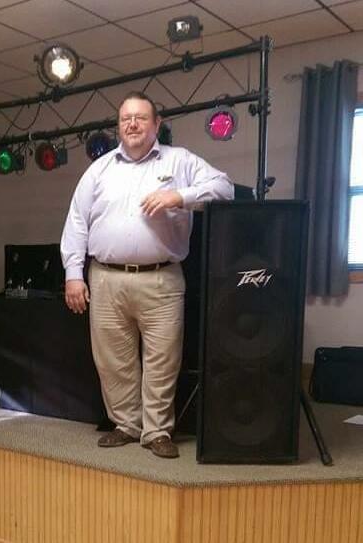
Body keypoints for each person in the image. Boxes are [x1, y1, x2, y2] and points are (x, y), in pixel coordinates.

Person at [60, 91, 233, 459]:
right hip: (105, 278)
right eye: (126, 119)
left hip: (162, 279)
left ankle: (157, 431)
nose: (133, 124)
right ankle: (126, 425)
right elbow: (76, 222)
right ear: (118, 126)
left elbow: (225, 189)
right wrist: (73, 274)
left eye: (140, 117)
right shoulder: (99, 169)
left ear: (157, 124)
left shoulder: (180, 160)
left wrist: (179, 197)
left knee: (162, 359)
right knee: (113, 359)